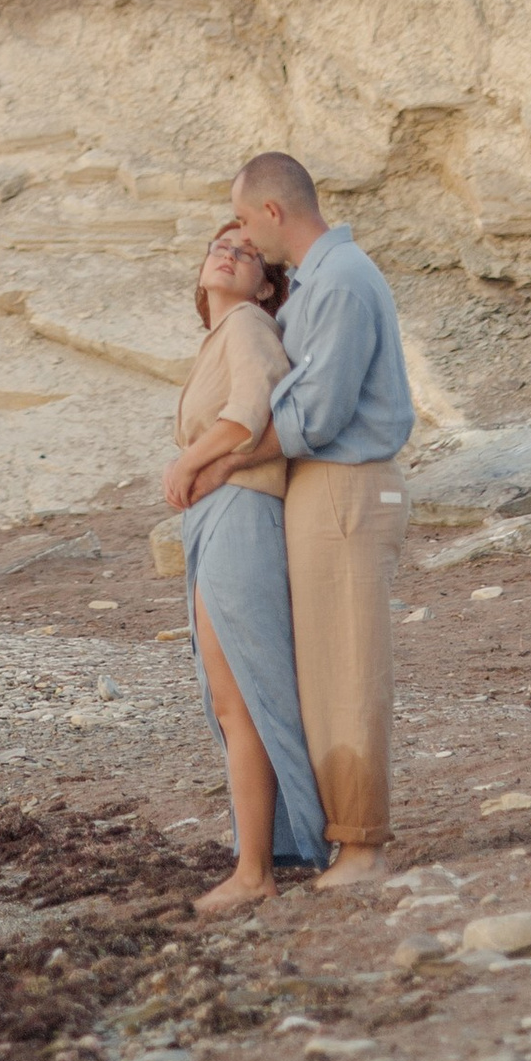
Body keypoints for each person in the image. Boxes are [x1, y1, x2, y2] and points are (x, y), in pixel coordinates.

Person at [219, 149, 416, 893]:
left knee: (348, 667)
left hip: (345, 486)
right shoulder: (316, 284)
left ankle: (364, 849)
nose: (242, 236)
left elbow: (318, 413)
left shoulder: (339, 282)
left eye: (244, 219)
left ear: (274, 211)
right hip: (324, 491)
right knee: (324, 669)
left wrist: (228, 460)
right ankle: (342, 838)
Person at [160, 226, 329, 916]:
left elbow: (248, 415)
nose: (229, 253)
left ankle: (257, 868)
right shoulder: (221, 335)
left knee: (246, 696)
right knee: (232, 700)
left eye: (249, 252)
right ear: (201, 273)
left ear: (266, 286)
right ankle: (260, 854)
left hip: (240, 513)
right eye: (219, 246)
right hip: (219, 517)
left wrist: (188, 461)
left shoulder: (249, 326)